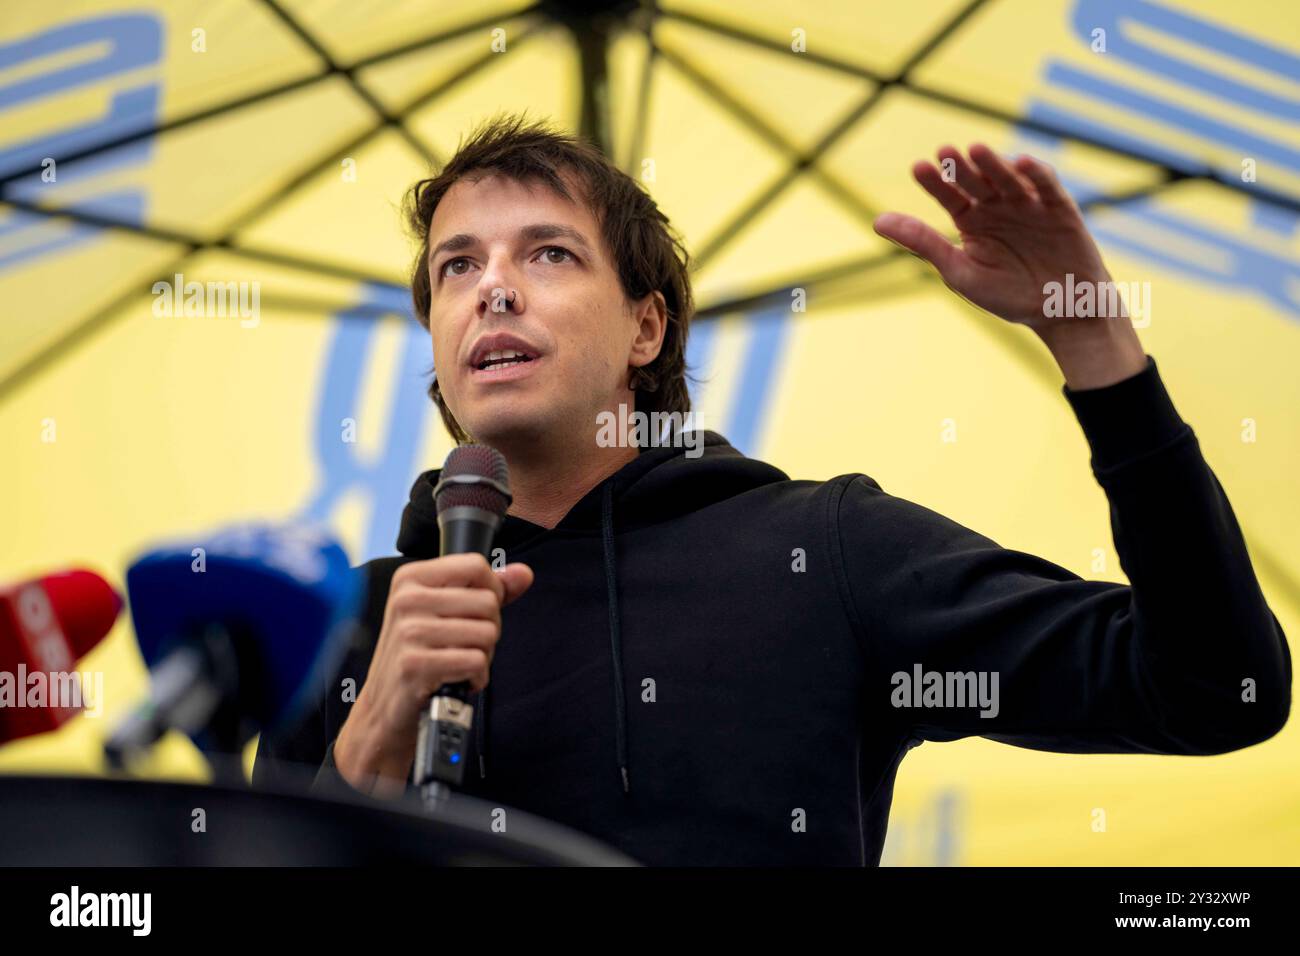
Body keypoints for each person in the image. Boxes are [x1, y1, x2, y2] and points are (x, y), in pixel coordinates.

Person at [253, 114, 1290, 866]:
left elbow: (1212, 689)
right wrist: (369, 740)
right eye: (455, 267)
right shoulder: (348, 625)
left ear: (645, 329)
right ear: (436, 345)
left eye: (550, 252)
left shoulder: (824, 551)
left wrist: (1093, 342)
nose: (494, 287)